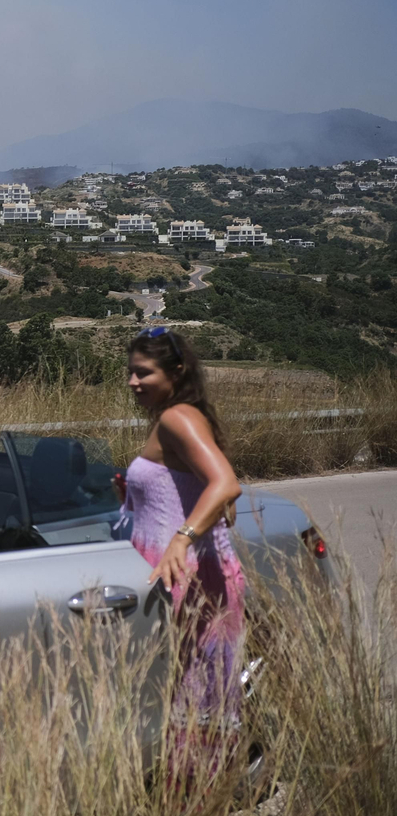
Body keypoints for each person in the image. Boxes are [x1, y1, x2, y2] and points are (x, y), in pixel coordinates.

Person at [117, 326, 246, 782]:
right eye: (130, 373)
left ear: (176, 371)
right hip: (184, 578)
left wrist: (181, 536)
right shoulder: (176, 417)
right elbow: (186, 488)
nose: (132, 382)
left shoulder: (178, 418)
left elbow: (225, 484)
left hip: (192, 579)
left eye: (142, 373)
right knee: (186, 705)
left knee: (191, 706)